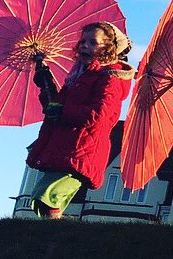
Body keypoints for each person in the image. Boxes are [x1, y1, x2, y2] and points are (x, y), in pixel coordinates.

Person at [26, 21, 134, 218]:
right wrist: (45, 79)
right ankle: (52, 230)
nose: (85, 45)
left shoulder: (109, 78)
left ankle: (54, 228)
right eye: (83, 41)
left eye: (93, 42)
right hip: (64, 147)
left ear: (109, 49)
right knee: (43, 201)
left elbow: (99, 114)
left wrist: (62, 111)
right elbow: (55, 106)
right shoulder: (77, 77)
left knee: (46, 196)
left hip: (82, 150)